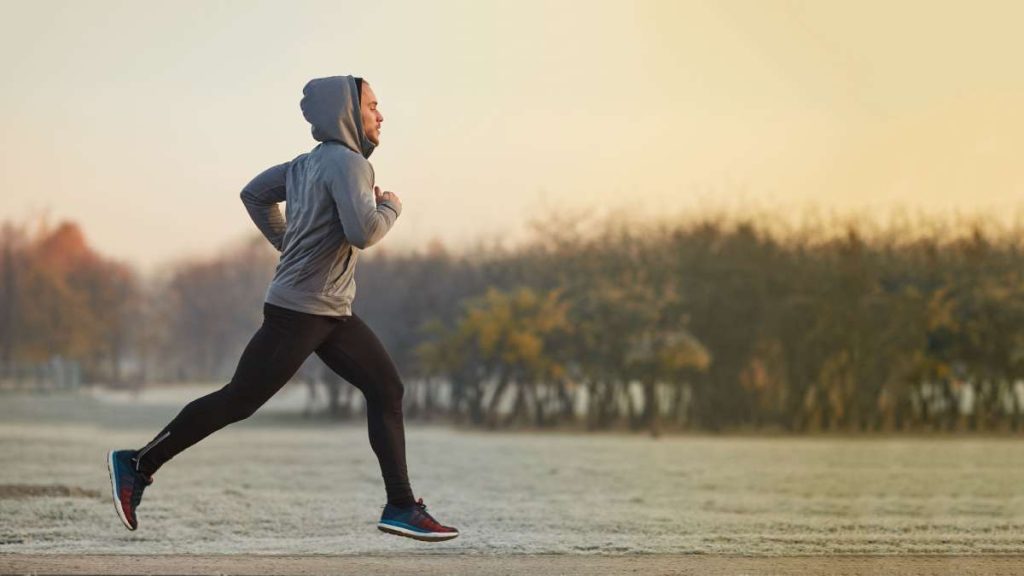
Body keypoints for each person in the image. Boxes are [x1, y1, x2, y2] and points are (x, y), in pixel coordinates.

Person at [106, 75, 459, 542]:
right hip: (301, 311)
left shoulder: (306, 164)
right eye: (373, 105)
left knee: (386, 389)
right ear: (348, 112)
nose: (380, 115)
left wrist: (286, 242)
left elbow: (253, 193)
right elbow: (364, 232)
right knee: (239, 399)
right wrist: (391, 207)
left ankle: (400, 505)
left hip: (330, 311)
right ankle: (137, 464)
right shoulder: (351, 165)